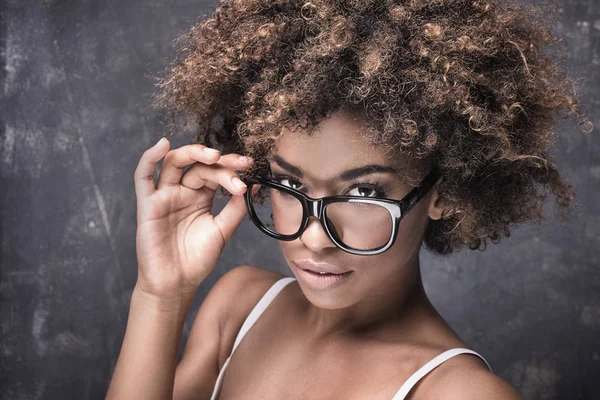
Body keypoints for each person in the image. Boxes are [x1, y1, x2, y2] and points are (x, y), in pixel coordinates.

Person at [106, 0, 592, 399]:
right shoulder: (238, 307)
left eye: (364, 192)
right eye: (291, 185)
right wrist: (160, 296)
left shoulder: (456, 393)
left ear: (444, 194)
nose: (315, 238)